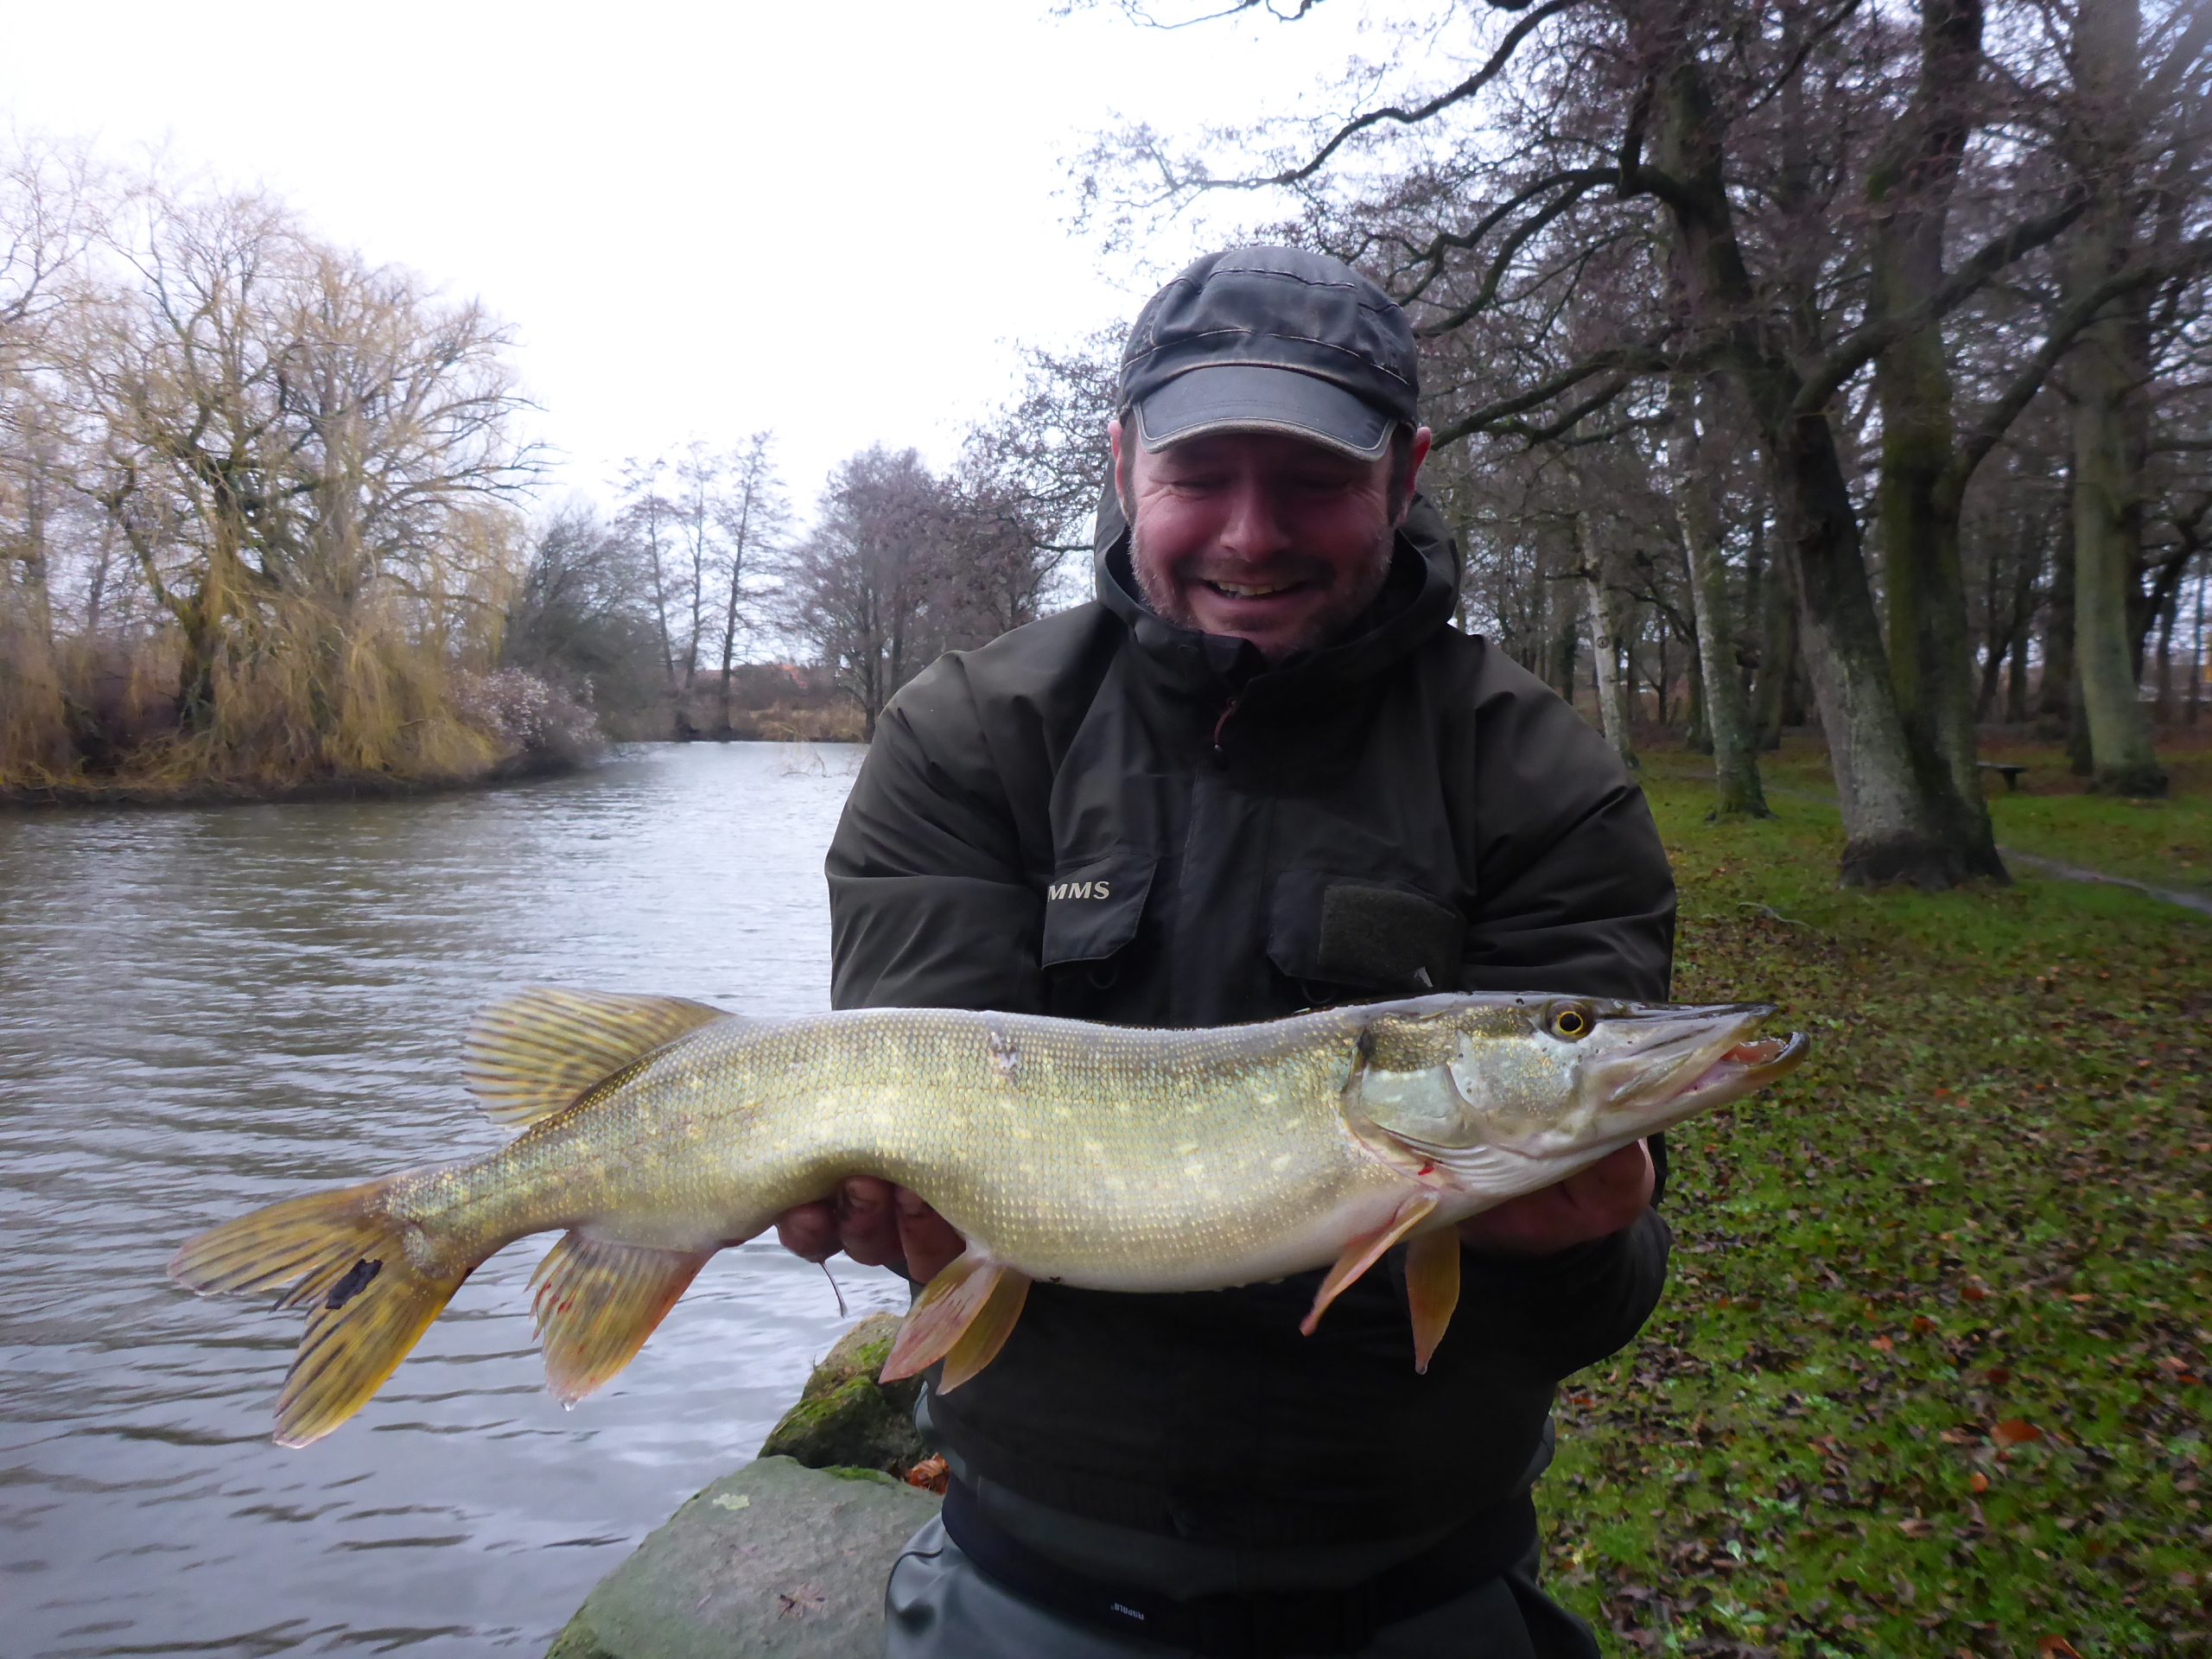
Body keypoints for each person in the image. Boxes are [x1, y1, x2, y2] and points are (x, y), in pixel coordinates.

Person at [775, 246, 1678, 1657]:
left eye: (1314, 479)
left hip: (1416, 1587)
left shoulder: (1543, 782)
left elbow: (1603, 1295)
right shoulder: (970, 735)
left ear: (1408, 469)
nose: (1252, 533)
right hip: (1035, 1576)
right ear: (1125, 459)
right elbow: (927, 1140)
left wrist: (1572, 1249)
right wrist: (895, 1212)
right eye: (1201, 475)